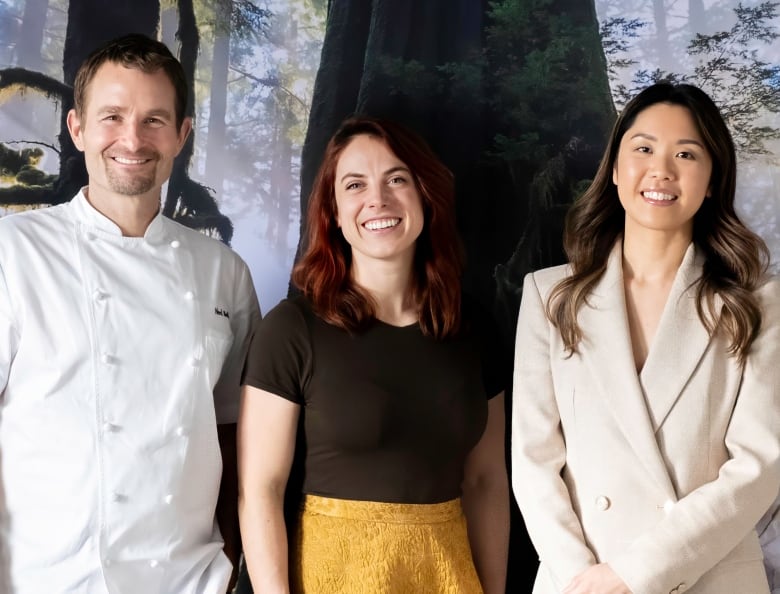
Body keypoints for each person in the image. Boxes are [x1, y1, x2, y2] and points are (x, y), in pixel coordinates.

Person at [0, 34, 260, 593]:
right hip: (45, 579)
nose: (132, 139)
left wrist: (236, 557)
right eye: (112, 116)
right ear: (77, 128)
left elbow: (236, 432)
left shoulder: (224, 273)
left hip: (190, 580)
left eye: (154, 120)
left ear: (182, 135)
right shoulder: (12, 252)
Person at [511, 82, 780, 594]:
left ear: (712, 178)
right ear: (615, 169)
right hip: (579, 579)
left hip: (709, 578)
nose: (662, 169)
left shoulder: (759, 302)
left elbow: (760, 467)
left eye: (686, 153)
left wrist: (634, 576)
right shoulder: (550, 295)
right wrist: (583, 579)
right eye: (644, 149)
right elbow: (533, 461)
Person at [238, 116, 509, 593]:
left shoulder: (475, 328)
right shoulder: (292, 329)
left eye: (397, 179)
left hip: (449, 577)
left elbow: (486, 482)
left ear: (425, 194)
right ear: (335, 214)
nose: (377, 200)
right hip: (330, 577)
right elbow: (260, 490)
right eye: (355, 185)